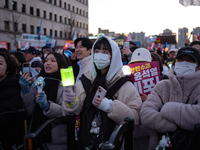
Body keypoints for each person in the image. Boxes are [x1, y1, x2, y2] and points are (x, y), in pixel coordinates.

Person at [62, 36, 142, 149]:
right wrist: (70, 102)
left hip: (114, 144)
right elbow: (72, 112)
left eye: (105, 52)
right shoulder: (85, 80)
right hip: (85, 142)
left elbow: (135, 118)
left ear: (113, 55)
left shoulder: (125, 85)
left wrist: (111, 107)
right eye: (97, 51)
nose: (100, 55)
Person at [140, 46, 200, 150]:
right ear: (175, 63)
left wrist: (169, 109)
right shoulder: (162, 86)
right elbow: (146, 113)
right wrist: (169, 125)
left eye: (190, 60)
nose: (185, 63)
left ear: (198, 67)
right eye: (181, 59)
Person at [19, 52, 69, 149]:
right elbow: (29, 110)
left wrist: (47, 106)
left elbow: (67, 110)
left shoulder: (66, 82)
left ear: (61, 64)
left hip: (57, 137)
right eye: (46, 61)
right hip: (35, 132)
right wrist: (26, 92)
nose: (48, 63)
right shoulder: (37, 80)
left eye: (53, 61)